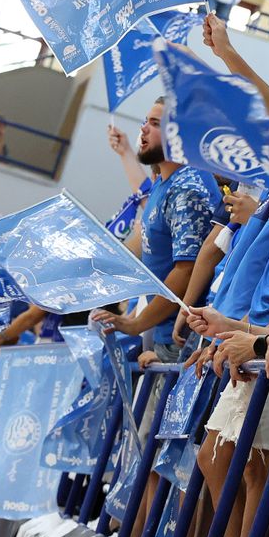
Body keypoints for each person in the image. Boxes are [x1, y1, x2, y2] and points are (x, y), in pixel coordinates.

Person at [91, 96, 224, 365]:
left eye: (154, 123)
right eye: (145, 121)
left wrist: (137, 324)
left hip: (183, 339)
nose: (143, 128)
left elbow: (185, 270)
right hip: (164, 333)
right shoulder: (165, 182)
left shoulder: (187, 188)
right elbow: (148, 242)